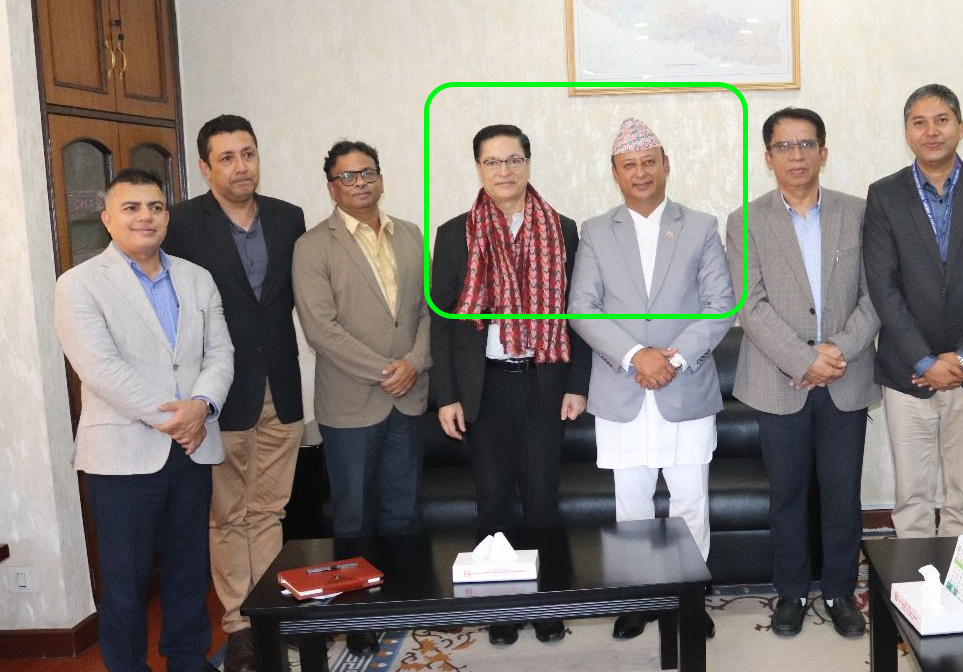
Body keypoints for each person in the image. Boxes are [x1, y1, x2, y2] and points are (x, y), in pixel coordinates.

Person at [54, 169, 234, 672]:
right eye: (131, 208)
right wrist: (178, 418)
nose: (145, 217)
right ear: (107, 219)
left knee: (188, 569)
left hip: (193, 448)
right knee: (126, 580)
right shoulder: (79, 285)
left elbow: (220, 352)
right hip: (123, 457)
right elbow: (101, 369)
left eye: (155, 207)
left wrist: (202, 405)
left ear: (166, 217)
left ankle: (188, 660)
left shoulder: (197, 278)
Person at [568, 118, 732, 640]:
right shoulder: (596, 231)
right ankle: (637, 598)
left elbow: (720, 304)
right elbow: (582, 308)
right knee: (631, 503)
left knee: (690, 501)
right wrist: (637, 356)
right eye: (629, 165)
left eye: (648, 162)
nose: (640, 173)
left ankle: (689, 600)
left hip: (685, 387)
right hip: (623, 389)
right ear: (615, 173)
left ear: (666, 166)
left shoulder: (701, 226)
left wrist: (672, 360)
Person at [430, 124, 590, 645]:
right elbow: (442, 322)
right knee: (493, 501)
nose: (504, 170)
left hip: (545, 380)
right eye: (492, 161)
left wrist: (578, 383)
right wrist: (447, 395)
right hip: (486, 386)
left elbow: (580, 311)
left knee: (543, 501)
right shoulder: (454, 233)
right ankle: (500, 608)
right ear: (479, 168)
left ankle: (548, 606)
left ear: (528, 164)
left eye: (514, 159)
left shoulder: (562, 229)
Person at [726, 108, 879, 637]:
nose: (796, 155)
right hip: (778, 382)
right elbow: (750, 306)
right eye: (784, 146)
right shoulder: (745, 221)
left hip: (846, 376)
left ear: (824, 152)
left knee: (842, 496)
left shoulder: (860, 213)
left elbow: (876, 295)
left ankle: (839, 591)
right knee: (787, 497)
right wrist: (804, 359)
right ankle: (790, 592)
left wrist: (837, 350)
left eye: (806, 144)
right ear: (768, 158)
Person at [163, 114, 305, 672]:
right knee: (227, 516)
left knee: (269, 510)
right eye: (226, 157)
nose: (241, 166)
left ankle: (272, 619)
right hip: (220, 390)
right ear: (205, 167)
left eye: (248, 153)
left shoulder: (288, 217)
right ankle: (241, 628)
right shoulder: (181, 225)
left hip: (282, 386)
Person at [293, 140, 431, 652]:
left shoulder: (411, 235)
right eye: (347, 176)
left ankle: (400, 602)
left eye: (367, 172)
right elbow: (320, 329)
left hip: (408, 397)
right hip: (351, 404)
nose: (359, 183)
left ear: (381, 178)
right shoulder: (313, 246)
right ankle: (359, 616)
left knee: (403, 512)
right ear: (332, 188)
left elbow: (429, 311)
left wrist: (414, 362)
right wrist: (384, 370)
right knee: (353, 516)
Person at [864, 85, 963, 539]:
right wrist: (924, 360)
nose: (931, 131)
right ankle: (914, 584)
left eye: (942, 120)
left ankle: (959, 584)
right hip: (908, 372)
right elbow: (883, 286)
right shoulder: (884, 195)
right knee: (911, 499)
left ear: (960, 128)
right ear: (907, 132)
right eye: (920, 122)